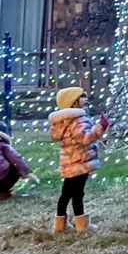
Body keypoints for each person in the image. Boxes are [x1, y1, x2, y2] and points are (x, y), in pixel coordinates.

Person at [48, 86, 109, 233]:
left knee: (66, 193)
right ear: (73, 102)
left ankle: (59, 224)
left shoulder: (61, 121)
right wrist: (100, 127)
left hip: (68, 163)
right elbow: (86, 138)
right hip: (80, 161)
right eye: (82, 96)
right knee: (77, 193)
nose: (86, 99)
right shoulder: (78, 119)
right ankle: (82, 224)